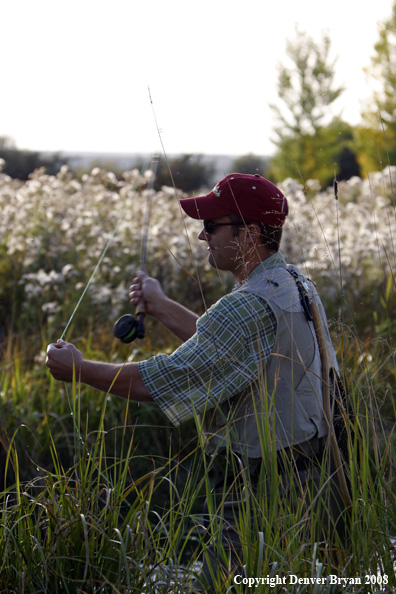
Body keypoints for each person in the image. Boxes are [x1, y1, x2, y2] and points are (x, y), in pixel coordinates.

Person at [46, 173, 348, 591]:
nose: (203, 237)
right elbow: (228, 351)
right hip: (312, 479)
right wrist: (162, 306)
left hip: (262, 490)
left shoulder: (244, 307)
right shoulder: (296, 283)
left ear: (251, 234)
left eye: (212, 226)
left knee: (218, 586)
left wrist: (78, 368)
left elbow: (161, 382)